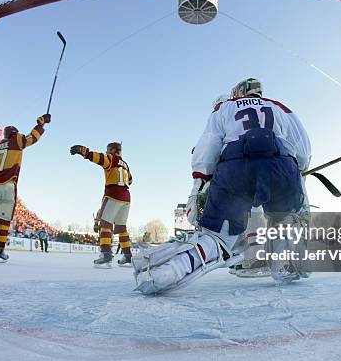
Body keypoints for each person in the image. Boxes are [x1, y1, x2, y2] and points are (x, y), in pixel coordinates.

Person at [133, 78, 311, 294]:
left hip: (236, 167)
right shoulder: (278, 107)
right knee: (285, 218)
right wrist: (296, 172)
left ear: (239, 91)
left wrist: (199, 182)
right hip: (281, 165)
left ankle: (164, 272)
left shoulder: (224, 108)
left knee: (219, 237)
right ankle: (286, 265)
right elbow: (302, 147)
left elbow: (208, 147)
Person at [0, 113, 51, 262]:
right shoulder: (16, 139)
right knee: (4, 221)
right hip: (7, 184)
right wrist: (41, 124)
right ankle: (0, 250)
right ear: (14, 133)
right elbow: (33, 138)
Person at [70, 142, 133, 268]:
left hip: (113, 195)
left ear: (113, 150)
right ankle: (127, 256)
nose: (106, 152)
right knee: (121, 228)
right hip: (126, 198)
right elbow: (130, 180)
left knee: (105, 225)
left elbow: (99, 158)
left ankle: (106, 254)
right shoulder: (125, 165)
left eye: (108, 150)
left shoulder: (111, 159)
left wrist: (83, 151)